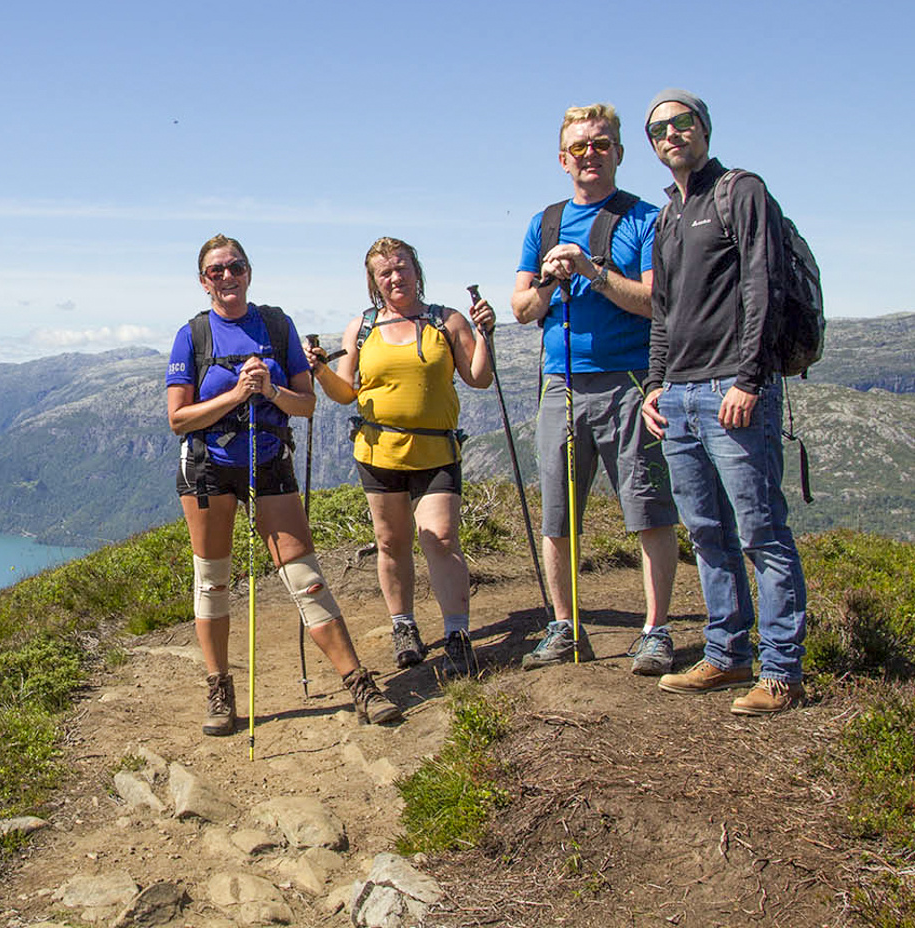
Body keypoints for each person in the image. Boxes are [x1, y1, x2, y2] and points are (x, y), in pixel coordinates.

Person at [168, 235, 399, 736]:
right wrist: (237, 394)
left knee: (305, 578)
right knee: (212, 582)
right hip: (209, 467)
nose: (227, 277)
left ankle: (357, 682)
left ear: (249, 272)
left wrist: (270, 390)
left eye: (235, 267)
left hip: (269, 462)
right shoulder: (193, 336)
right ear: (202, 281)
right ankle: (219, 688)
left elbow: (307, 403)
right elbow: (179, 419)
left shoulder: (277, 325)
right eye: (216, 271)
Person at [640, 89, 808, 716]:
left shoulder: (741, 192)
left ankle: (782, 670)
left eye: (682, 124)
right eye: (660, 130)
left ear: (704, 129)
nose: (671, 135)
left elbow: (763, 284)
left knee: (761, 530)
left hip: (730, 390)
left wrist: (749, 378)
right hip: (679, 395)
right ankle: (727, 652)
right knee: (707, 531)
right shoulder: (668, 216)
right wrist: (656, 385)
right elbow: (663, 311)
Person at [511, 103, 681, 674]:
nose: (590, 155)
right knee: (558, 515)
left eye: (601, 145)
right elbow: (521, 308)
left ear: (619, 153)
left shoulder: (647, 219)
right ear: (563, 159)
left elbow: (657, 302)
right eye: (580, 147)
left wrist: (591, 271)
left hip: (631, 384)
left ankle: (656, 631)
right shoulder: (545, 222)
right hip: (560, 385)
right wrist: (553, 283)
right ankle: (565, 626)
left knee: (649, 511)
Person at [308, 237, 495, 681]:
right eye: (385, 272)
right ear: (373, 282)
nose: (395, 278)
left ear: (417, 271)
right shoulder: (362, 328)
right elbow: (345, 393)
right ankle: (403, 626)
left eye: (401, 268)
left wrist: (486, 335)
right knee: (391, 543)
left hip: (436, 450)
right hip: (378, 451)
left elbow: (480, 379)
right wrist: (319, 372)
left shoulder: (447, 321)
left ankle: (456, 634)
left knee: (442, 539)